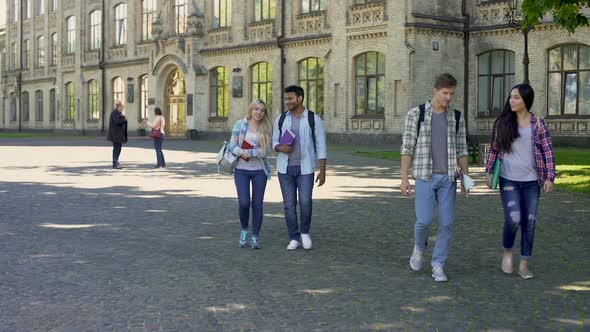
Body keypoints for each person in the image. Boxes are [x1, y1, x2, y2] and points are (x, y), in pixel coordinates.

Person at [400, 73, 469, 282]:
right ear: (435, 91)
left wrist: (466, 178)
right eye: (445, 93)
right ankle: (419, 248)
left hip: (448, 178)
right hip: (424, 176)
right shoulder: (416, 114)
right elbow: (407, 147)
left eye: (452, 93)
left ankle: (438, 263)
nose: (448, 97)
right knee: (424, 220)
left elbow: (462, 150)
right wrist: (404, 178)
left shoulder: (456, 117)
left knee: (447, 223)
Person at [484, 83, 555, 280]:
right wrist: (488, 171)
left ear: (526, 100)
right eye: (511, 97)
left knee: (529, 221)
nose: (511, 100)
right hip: (509, 180)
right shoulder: (503, 123)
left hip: (532, 181)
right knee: (513, 219)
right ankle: (508, 252)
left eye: (516, 97)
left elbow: (548, 152)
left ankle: (524, 263)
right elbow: (495, 150)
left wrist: (550, 177)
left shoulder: (539, 124)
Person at [272, 85, 327, 250]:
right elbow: (274, 141)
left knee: (305, 202)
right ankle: (294, 237)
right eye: (286, 99)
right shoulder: (281, 119)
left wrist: (323, 171)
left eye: (290, 98)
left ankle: (304, 232)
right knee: (288, 205)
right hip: (285, 168)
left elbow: (321, 145)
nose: (287, 101)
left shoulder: (313, 118)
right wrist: (280, 148)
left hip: (306, 168)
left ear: (300, 98)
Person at [228, 99, 273, 249]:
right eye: (256, 109)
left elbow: (266, 150)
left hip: (259, 170)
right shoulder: (240, 124)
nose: (259, 113)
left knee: (257, 204)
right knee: (244, 203)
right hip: (241, 170)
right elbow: (232, 145)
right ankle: (244, 230)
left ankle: (255, 236)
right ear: (251, 109)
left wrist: (251, 152)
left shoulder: (266, 128)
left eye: (262, 110)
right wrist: (242, 152)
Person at [107, 100, 128, 169]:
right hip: (115, 135)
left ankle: (116, 161)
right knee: (116, 149)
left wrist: (123, 118)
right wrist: (123, 119)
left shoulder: (119, 112)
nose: (123, 108)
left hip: (119, 135)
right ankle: (115, 163)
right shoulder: (115, 113)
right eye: (122, 107)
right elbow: (117, 122)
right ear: (119, 106)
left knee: (118, 149)